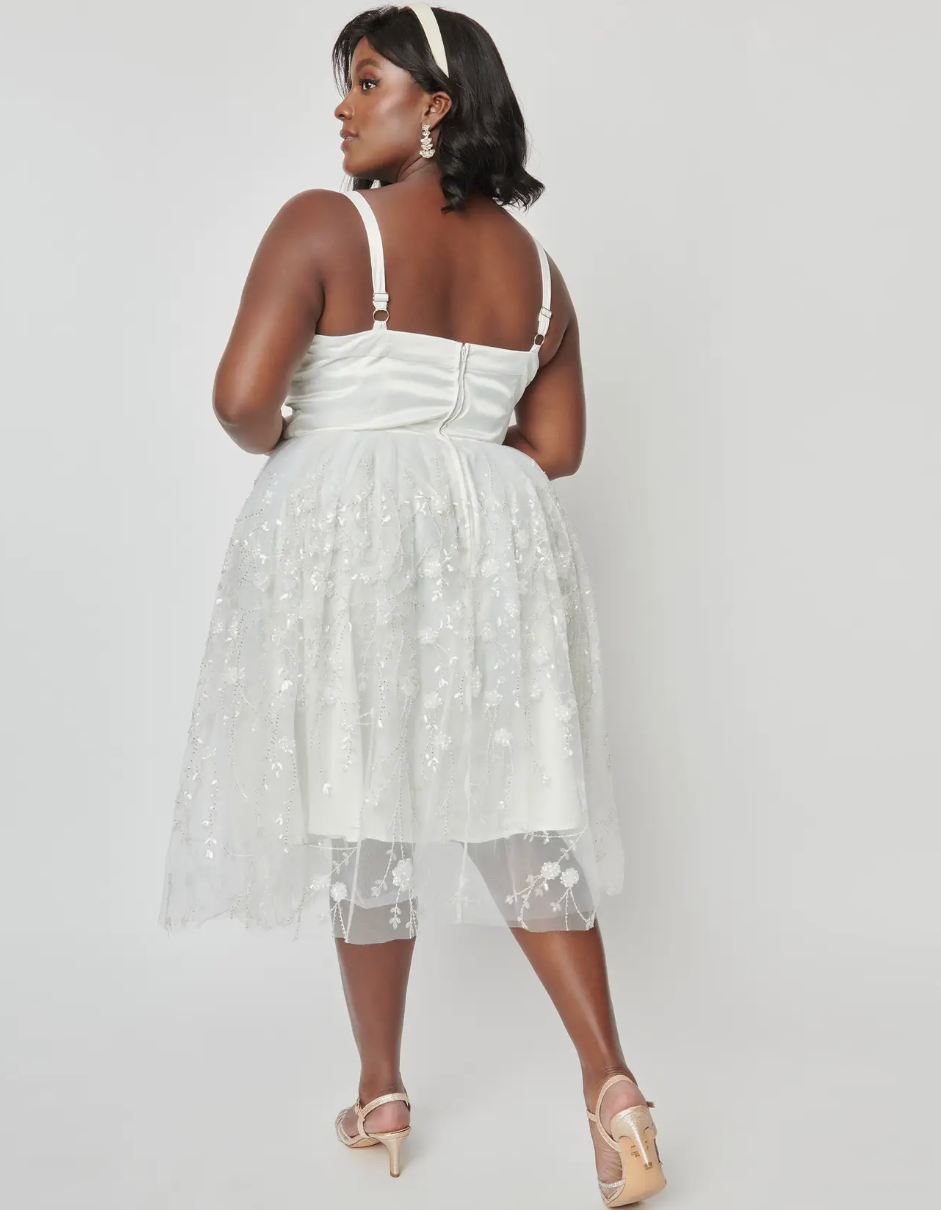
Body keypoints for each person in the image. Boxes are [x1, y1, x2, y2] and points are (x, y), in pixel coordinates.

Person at [158, 5, 666, 1204]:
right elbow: (558, 447)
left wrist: (328, 438)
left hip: (347, 546)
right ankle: (612, 1086)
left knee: (362, 798)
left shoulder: (322, 225)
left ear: (433, 104)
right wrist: (453, 478)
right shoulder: (537, 272)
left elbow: (239, 402)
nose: (342, 106)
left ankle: (381, 1088)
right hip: (493, 551)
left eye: (366, 80)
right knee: (519, 807)